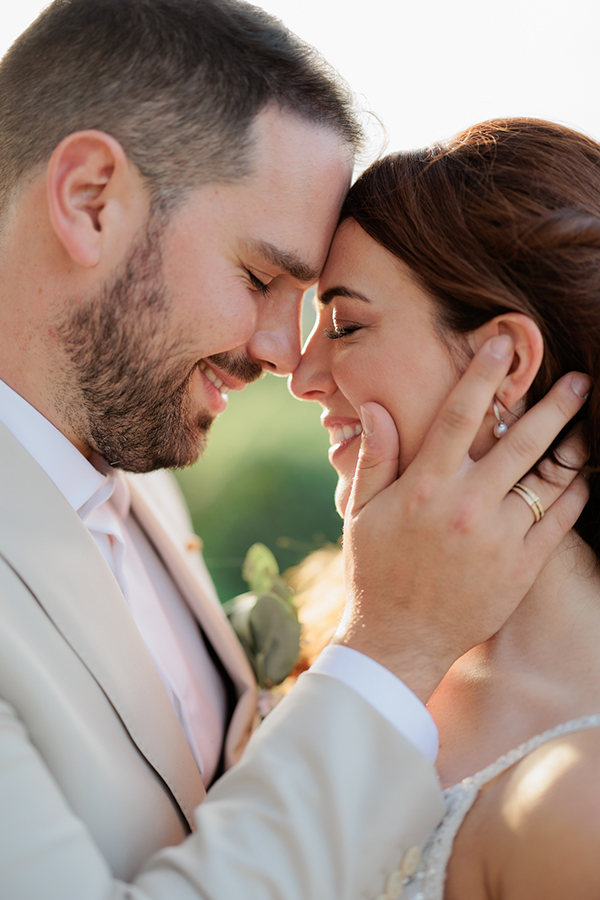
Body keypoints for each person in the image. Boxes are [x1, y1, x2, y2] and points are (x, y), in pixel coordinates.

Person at [0, 0, 589, 895]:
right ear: (90, 200)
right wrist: (392, 647)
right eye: (260, 277)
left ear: (506, 360)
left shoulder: (142, 484)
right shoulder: (387, 638)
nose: (287, 358)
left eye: (334, 317)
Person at [291, 117, 600, 899]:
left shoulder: (578, 804)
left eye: (346, 324)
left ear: (507, 364)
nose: (302, 375)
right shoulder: (349, 635)